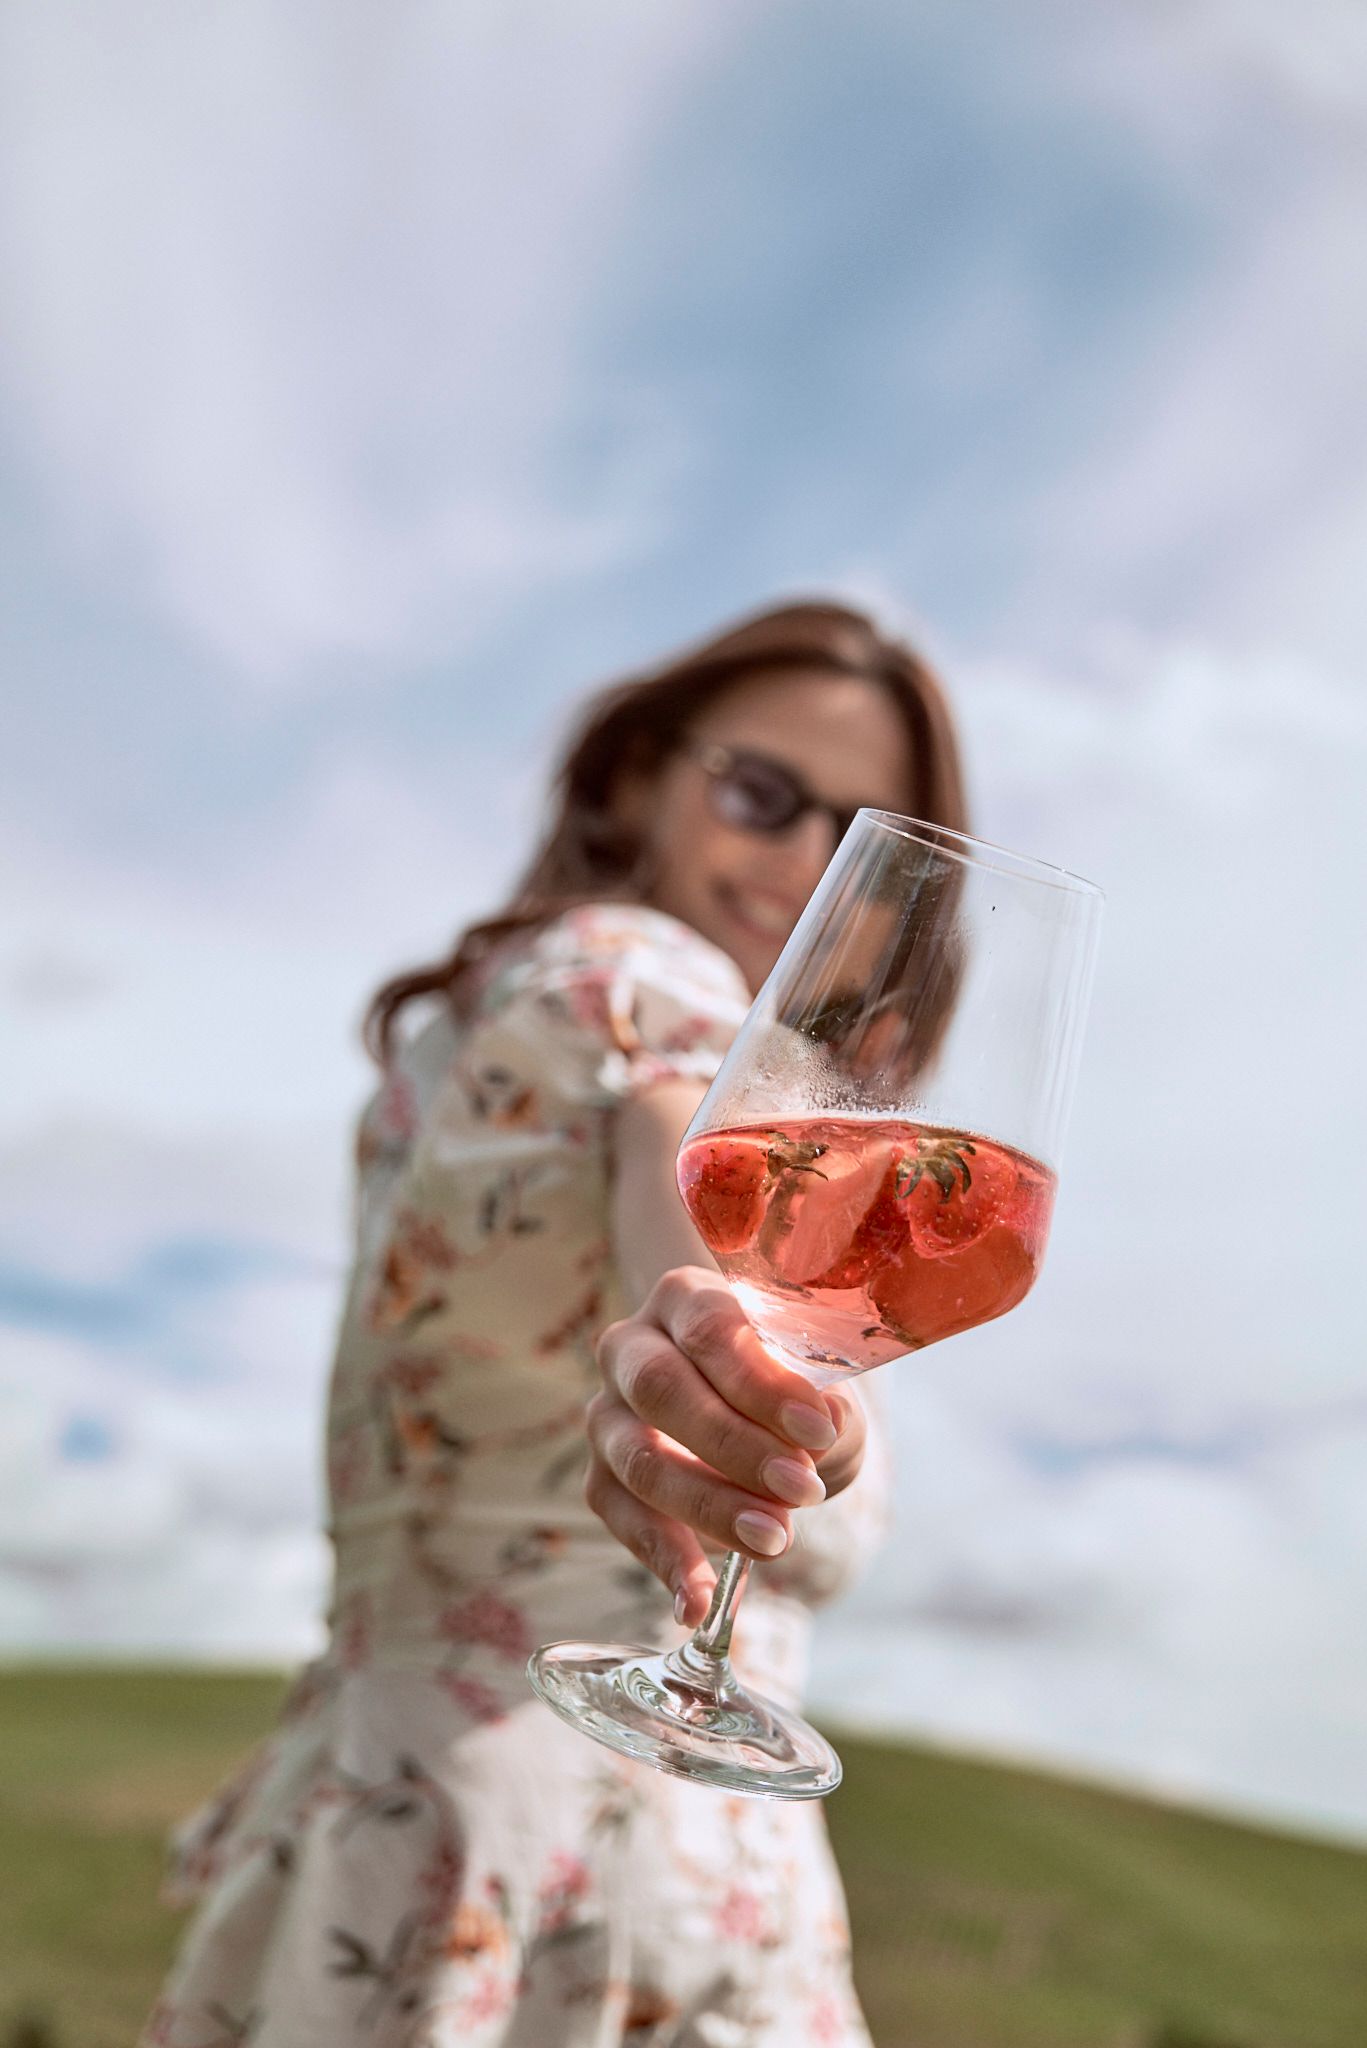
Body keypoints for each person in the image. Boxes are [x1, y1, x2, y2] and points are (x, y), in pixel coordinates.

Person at [143, 600, 969, 2048]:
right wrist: (726, 1366)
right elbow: (687, 1190)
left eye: (858, 837)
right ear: (636, 774)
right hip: (592, 1874)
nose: (798, 863)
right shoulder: (658, 984)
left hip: (378, 1814)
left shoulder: (462, 1035)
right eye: (762, 796)